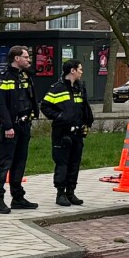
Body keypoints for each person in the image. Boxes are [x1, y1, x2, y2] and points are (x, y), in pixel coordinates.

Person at [0, 45, 41, 214]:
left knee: (20, 162)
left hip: (24, 125)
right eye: (26, 57)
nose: (29, 60)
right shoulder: (1, 78)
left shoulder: (24, 76)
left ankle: (18, 198)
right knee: (5, 163)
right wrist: (7, 126)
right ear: (16, 58)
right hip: (10, 127)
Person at [41, 59, 94, 207]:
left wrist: (86, 123)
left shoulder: (79, 88)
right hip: (62, 133)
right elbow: (45, 106)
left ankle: (71, 192)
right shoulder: (57, 88)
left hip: (77, 133)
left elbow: (84, 108)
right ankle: (60, 194)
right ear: (72, 70)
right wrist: (60, 117)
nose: (81, 72)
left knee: (74, 163)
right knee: (62, 164)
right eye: (80, 69)